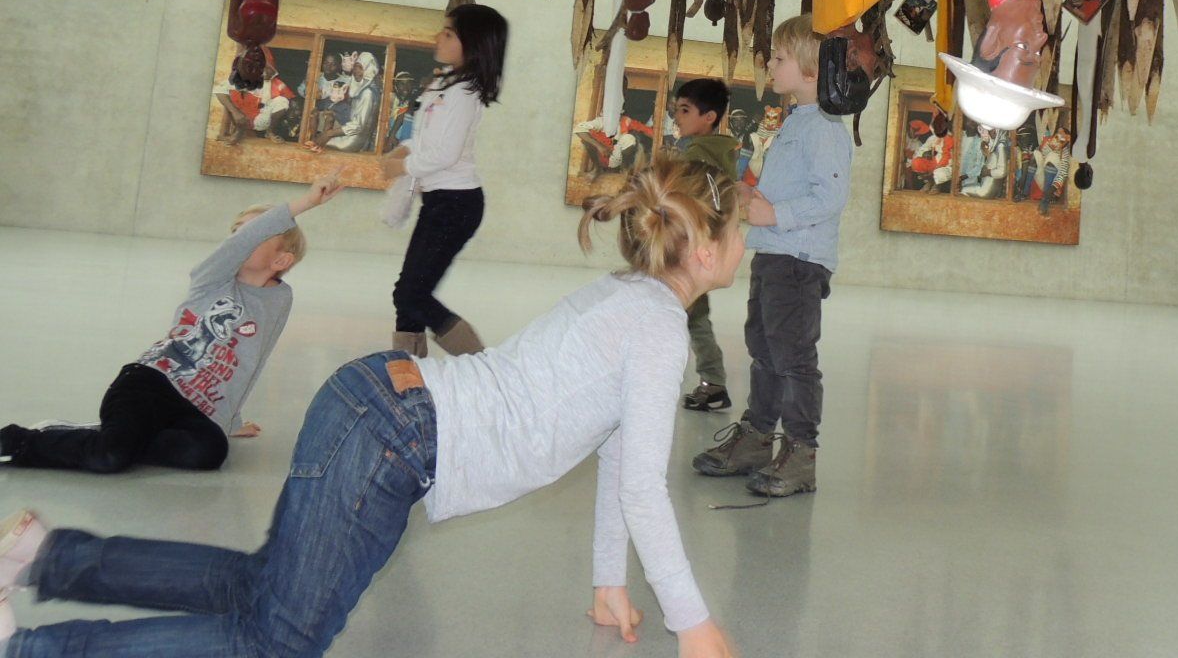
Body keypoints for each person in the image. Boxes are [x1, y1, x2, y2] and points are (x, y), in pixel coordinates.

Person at [0, 156, 741, 658]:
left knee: (261, 586)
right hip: (395, 437)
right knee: (278, 640)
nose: (747, 240)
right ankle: (29, 648)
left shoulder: (624, 295)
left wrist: (610, 582)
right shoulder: (657, 327)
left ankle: (44, 558)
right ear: (704, 250)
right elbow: (643, 489)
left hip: (378, 402)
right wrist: (694, 623)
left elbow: (618, 453)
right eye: (739, 229)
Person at [0, 174, 346, 475]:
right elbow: (237, 247)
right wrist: (305, 202)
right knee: (110, 457)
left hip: (193, 408)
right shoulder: (212, 279)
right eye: (237, 231)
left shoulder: (278, 299)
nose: (239, 237)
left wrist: (231, 420)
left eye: (255, 233)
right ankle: (19, 441)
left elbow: (253, 359)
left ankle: (118, 436)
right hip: (150, 384)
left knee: (209, 452)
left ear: (281, 260)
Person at [692, 14, 851, 498]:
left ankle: (801, 453)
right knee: (763, 349)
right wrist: (754, 195)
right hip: (775, 253)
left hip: (798, 260)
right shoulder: (797, 121)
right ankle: (757, 438)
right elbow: (794, 187)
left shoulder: (825, 126)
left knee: (793, 358)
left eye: (780, 59)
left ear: (810, 70)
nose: (771, 66)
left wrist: (774, 213)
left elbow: (830, 197)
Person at [379, 5, 508, 358]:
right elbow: (428, 141)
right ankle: (409, 376)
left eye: (448, 34)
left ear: (473, 44)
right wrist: (405, 150)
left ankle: (483, 368)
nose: (438, 37)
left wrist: (402, 167)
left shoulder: (463, 93)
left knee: (411, 294)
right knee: (408, 295)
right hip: (441, 201)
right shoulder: (445, 85)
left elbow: (444, 155)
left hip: (455, 205)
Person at [672, 78, 739, 413]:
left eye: (685, 110)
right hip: (699, 248)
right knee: (694, 316)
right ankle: (712, 381)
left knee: (688, 316)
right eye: (677, 109)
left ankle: (712, 382)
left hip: (690, 249)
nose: (677, 116)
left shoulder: (699, 156)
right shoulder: (714, 152)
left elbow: (698, 205)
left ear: (709, 117)